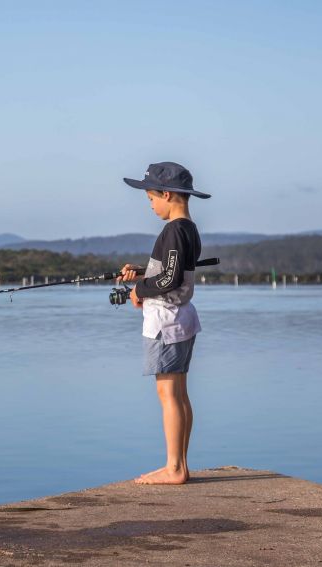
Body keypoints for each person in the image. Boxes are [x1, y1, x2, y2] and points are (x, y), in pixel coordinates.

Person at [118, 161, 211, 485]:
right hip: (181, 319)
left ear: (168, 194)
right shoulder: (188, 229)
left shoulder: (173, 229)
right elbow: (174, 270)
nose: (151, 205)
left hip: (166, 322)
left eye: (151, 199)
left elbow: (169, 278)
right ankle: (180, 465)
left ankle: (174, 468)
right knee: (179, 394)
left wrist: (138, 289)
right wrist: (143, 271)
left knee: (168, 395)